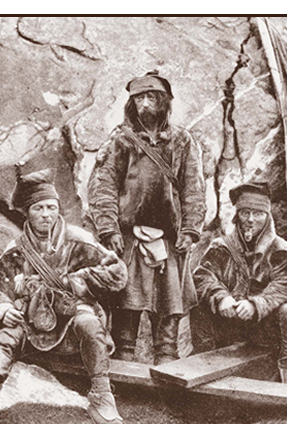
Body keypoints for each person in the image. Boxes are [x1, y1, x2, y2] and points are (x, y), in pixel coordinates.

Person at [0, 169, 129, 424]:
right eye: (38, 208)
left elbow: (118, 273)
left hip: (73, 326)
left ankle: (102, 394)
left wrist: (77, 282)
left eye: (51, 207)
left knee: (89, 323)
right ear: (28, 212)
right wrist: (3, 310)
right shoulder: (17, 249)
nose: (46, 214)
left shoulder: (79, 241)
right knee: (9, 328)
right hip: (33, 327)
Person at [87, 71, 206, 365]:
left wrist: (190, 229)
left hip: (168, 240)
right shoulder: (121, 140)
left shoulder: (181, 141)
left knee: (169, 309)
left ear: (163, 101)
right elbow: (104, 185)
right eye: (139, 98)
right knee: (127, 305)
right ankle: (124, 368)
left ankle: (167, 369)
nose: (144, 104)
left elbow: (193, 187)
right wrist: (108, 228)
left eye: (151, 97)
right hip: (129, 238)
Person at [193, 182, 287, 385]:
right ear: (237, 216)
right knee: (199, 302)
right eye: (245, 213)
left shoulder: (279, 249)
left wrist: (256, 304)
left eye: (258, 214)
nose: (251, 220)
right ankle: (201, 364)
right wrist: (221, 298)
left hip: (265, 328)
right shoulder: (221, 246)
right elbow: (203, 275)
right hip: (230, 323)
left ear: (267, 217)